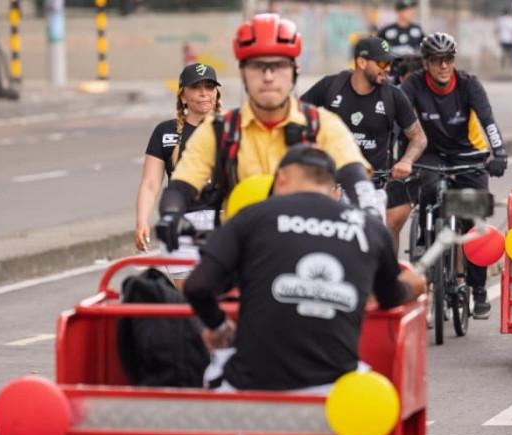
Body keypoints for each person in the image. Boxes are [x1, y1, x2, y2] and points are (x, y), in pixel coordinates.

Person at [184, 145, 426, 392]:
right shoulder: (369, 227)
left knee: (212, 370)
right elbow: (390, 296)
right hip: (336, 387)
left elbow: (197, 286)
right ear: (333, 189)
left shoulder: (252, 217)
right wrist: (413, 285)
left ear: (281, 178)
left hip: (254, 384)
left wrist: (219, 327)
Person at [156, 14, 373, 254]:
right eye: (258, 66)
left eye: (278, 65)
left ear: (294, 72)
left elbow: (357, 181)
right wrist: (171, 214)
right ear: (243, 73)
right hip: (241, 258)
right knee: (196, 289)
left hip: (310, 257)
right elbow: (180, 186)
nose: (268, 77)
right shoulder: (219, 131)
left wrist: (370, 214)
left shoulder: (323, 125)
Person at [393, 32, 508, 319]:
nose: (443, 66)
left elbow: (488, 120)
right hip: (430, 154)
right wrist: (393, 157)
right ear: (426, 64)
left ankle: (478, 288)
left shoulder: (469, 84)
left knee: (474, 220)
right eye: (436, 61)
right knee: (430, 194)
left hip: (466, 154)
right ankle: (426, 242)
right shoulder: (413, 84)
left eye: (448, 60)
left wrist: (499, 154)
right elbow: (398, 119)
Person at [301, 36, 429, 239]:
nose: (388, 69)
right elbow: (295, 117)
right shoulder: (330, 86)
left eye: (390, 63)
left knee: (373, 243)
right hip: (328, 186)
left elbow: (419, 137)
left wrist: (406, 161)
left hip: (372, 189)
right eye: (382, 63)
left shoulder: (393, 96)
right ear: (361, 62)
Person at [135, 62, 221, 269]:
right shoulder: (164, 132)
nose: (203, 93)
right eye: (195, 87)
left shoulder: (230, 129)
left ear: (216, 94)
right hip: (180, 224)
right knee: (186, 298)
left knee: (219, 297)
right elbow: (150, 184)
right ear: (183, 96)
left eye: (209, 87)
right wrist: (142, 221)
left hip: (223, 223)